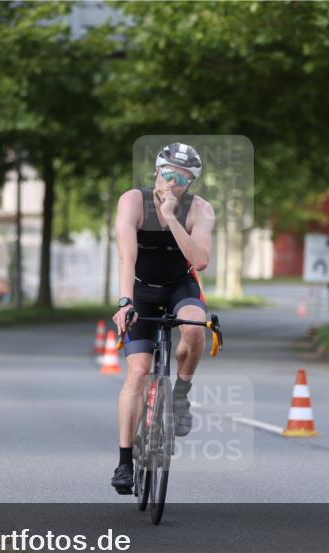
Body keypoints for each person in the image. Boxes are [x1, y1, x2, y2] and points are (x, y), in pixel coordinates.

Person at [109, 143, 216, 494]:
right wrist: (125, 302)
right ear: (156, 171)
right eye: (168, 174)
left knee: (196, 330)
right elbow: (127, 256)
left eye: (183, 179)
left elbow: (199, 261)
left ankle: (181, 393)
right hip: (140, 288)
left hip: (179, 286)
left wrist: (171, 218)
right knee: (138, 371)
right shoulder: (132, 201)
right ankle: (125, 462)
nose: (173, 183)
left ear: (192, 183)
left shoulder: (200, 210)